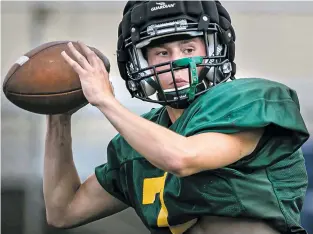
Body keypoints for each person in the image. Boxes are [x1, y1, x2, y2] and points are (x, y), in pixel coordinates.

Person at [44, 1, 310, 234]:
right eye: (162, 53)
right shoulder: (139, 139)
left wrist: (105, 100)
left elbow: (182, 158)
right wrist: (58, 116)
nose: (176, 62)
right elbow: (63, 211)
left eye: (188, 49)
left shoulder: (249, 100)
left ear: (214, 48)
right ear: (139, 63)